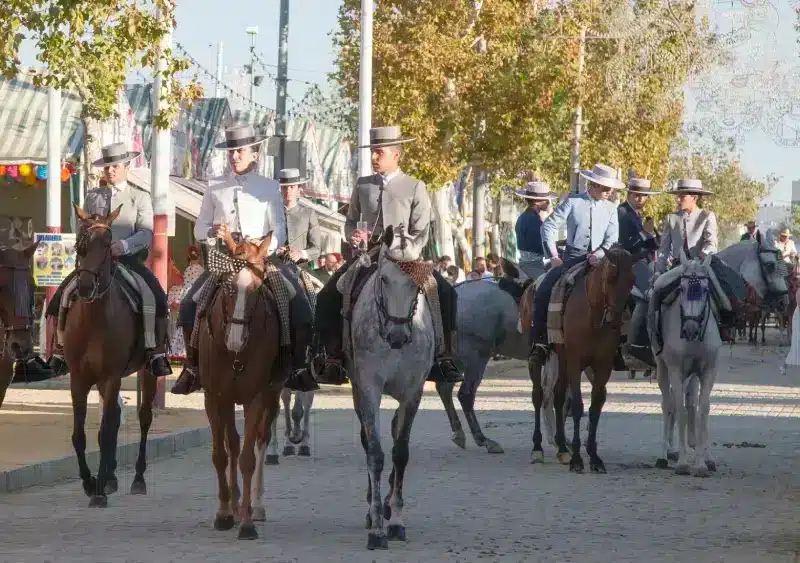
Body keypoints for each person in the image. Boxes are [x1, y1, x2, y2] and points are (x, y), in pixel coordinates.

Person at [311, 125, 464, 385]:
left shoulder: (415, 186)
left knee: (446, 293)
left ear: (396, 154)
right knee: (328, 295)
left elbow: (421, 231)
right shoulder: (363, 185)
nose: (373, 157)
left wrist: (404, 251)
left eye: (378, 152)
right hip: (368, 257)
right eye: (372, 151)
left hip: (406, 258)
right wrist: (353, 236)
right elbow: (350, 222)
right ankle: (333, 357)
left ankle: (443, 355)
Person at [170, 125, 316, 395]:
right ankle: (192, 368)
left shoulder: (269, 187)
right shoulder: (215, 186)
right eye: (231, 151)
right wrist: (213, 232)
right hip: (224, 261)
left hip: (259, 260)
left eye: (240, 151)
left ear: (255, 154)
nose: (234, 156)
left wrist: (260, 249)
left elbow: (280, 229)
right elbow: (200, 228)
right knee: (190, 303)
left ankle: (296, 365)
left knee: (298, 303)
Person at [45, 142, 172, 378]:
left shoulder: (139, 197)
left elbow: (145, 232)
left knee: (155, 296)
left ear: (126, 166)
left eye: (114, 166)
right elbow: (82, 229)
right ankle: (60, 350)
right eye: (106, 168)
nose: (110, 171)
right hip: (95, 263)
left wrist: (122, 245)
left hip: (128, 260)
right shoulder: (93, 196)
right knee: (62, 295)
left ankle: (156, 351)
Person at [529, 163, 622, 364]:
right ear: (594, 185)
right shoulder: (573, 202)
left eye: (611, 188)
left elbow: (612, 239)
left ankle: (620, 344)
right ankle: (540, 342)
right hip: (571, 258)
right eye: (606, 188)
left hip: (601, 259)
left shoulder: (612, 209)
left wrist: (598, 254)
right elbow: (549, 226)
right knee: (545, 288)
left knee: (623, 292)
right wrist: (553, 255)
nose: (610, 192)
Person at [652, 179, 743, 342]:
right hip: (678, 267)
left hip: (702, 265)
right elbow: (664, 249)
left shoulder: (707, 216)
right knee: (657, 290)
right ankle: (654, 333)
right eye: (678, 196)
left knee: (722, 293)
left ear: (694, 197)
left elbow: (711, 243)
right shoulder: (671, 218)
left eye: (682, 196)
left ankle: (725, 324)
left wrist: (701, 256)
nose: (678, 199)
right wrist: (659, 270)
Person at [617, 177, 660, 365]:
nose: (641, 199)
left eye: (644, 196)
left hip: (643, 262)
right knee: (649, 295)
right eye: (637, 195)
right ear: (629, 194)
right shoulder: (622, 212)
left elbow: (648, 242)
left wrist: (655, 238)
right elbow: (626, 243)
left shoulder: (636, 215)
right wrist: (644, 233)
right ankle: (635, 344)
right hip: (628, 263)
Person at [514, 180, 558, 281]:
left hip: (530, 264)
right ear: (536, 202)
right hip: (532, 267)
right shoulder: (532, 220)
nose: (548, 202)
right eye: (546, 200)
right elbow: (540, 246)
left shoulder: (525, 216)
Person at [278, 168, 321, 269]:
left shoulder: (309, 213)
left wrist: (301, 254)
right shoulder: (272, 212)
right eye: (284, 188)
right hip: (275, 266)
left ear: (298, 190)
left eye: (292, 187)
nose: (288, 191)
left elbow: (317, 249)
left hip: (300, 268)